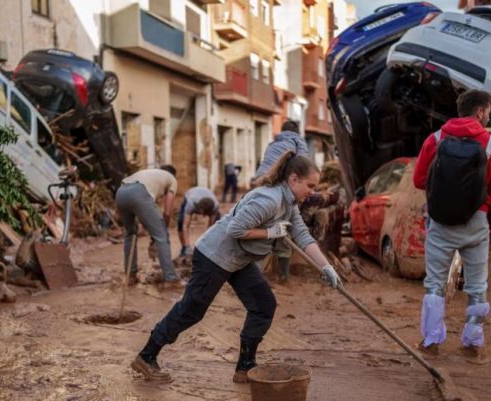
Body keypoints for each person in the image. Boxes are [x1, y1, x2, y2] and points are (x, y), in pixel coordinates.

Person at [130, 152, 342, 383]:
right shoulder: (269, 199)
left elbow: (301, 235)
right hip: (214, 256)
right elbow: (235, 229)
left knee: (263, 305)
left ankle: (245, 366)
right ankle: (147, 356)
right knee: (192, 310)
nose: (312, 191)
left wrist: (326, 267)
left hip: (239, 260)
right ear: (293, 179)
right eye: (310, 185)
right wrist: (271, 232)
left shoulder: (288, 203)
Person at [412, 90, 491, 362]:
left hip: (440, 221)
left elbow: (419, 180)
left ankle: (431, 341)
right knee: (477, 286)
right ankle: (473, 343)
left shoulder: (435, 139)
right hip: (477, 222)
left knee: (434, 284)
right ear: (479, 112)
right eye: (489, 110)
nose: (490, 115)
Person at [253, 120, 309, 282]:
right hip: (279, 188)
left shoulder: (272, 144)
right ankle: (283, 277)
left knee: (261, 229)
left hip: (260, 184)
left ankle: (253, 276)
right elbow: (304, 168)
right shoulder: (299, 142)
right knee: (285, 229)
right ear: (297, 132)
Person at [116, 165, 183, 289]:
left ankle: (130, 276)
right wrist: (163, 230)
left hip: (121, 192)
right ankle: (171, 279)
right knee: (162, 236)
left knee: (130, 234)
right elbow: (167, 212)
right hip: (139, 193)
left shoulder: (150, 174)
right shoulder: (172, 179)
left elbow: (145, 211)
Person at [177, 186, 221, 257]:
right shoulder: (191, 203)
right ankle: (184, 248)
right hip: (191, 194)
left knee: (218, 226)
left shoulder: (215, 206)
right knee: (181, 222)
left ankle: (214, 249)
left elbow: (211, 227)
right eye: (200, 212)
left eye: (203, 213)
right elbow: (185, 226)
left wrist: (206, 246)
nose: (201, 215)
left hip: (208, 200)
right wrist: (187, 246)